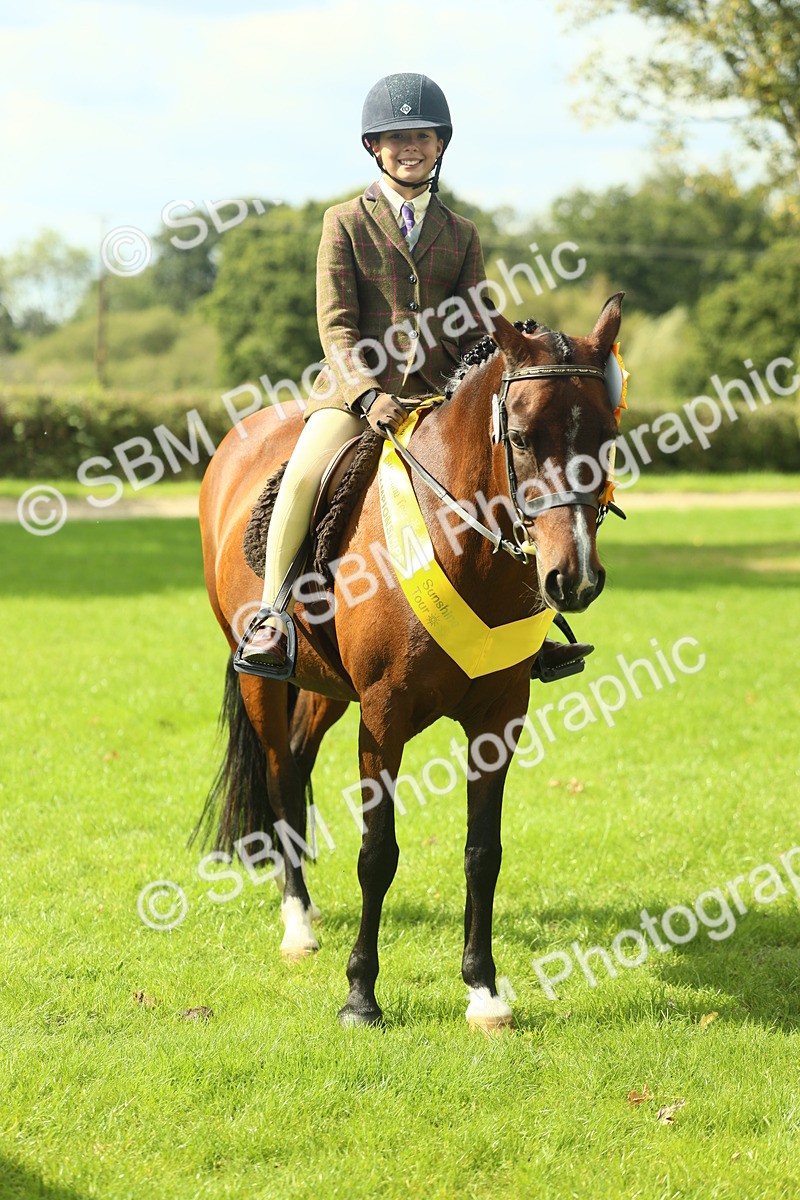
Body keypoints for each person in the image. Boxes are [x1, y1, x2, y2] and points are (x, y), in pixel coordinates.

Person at [236, 72, 592, 679]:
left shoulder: (461, 233)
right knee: (302, 476)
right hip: (354, 398)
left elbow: (475, 323)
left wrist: (516, 350)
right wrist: (366, 393)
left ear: (440, 145)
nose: (411, 148)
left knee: (509, 480)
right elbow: (336, 326)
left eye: (423, 136)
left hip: (438, 397)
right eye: (398, 137)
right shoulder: (343, 222)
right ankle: (272, 615)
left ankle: (530, 629)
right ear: (374, 147)